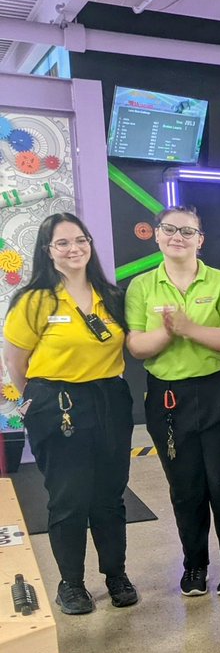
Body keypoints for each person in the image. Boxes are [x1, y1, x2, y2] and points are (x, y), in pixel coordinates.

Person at [2, 214, 138, 614]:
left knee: (110, 496)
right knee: (69, 498)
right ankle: (72, 584)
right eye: (62, 243)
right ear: (47, 251)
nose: (74, 248)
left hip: (110, 400)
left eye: (80, 240)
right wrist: (40, 402)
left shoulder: (110, 296)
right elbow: (16, 362)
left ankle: (116, 574)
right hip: (56, 403)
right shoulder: (34, 299)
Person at [126, 206, 220, 597]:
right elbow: (136, 345)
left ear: (200, 240)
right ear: (157, 236)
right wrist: (167, 334)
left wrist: (188, 328)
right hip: (168, 399)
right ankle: (194, 565)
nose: (177, 236)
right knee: (185, 487)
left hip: (218, 393)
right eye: (169, 229)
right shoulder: (142, 286)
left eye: (187, 231)